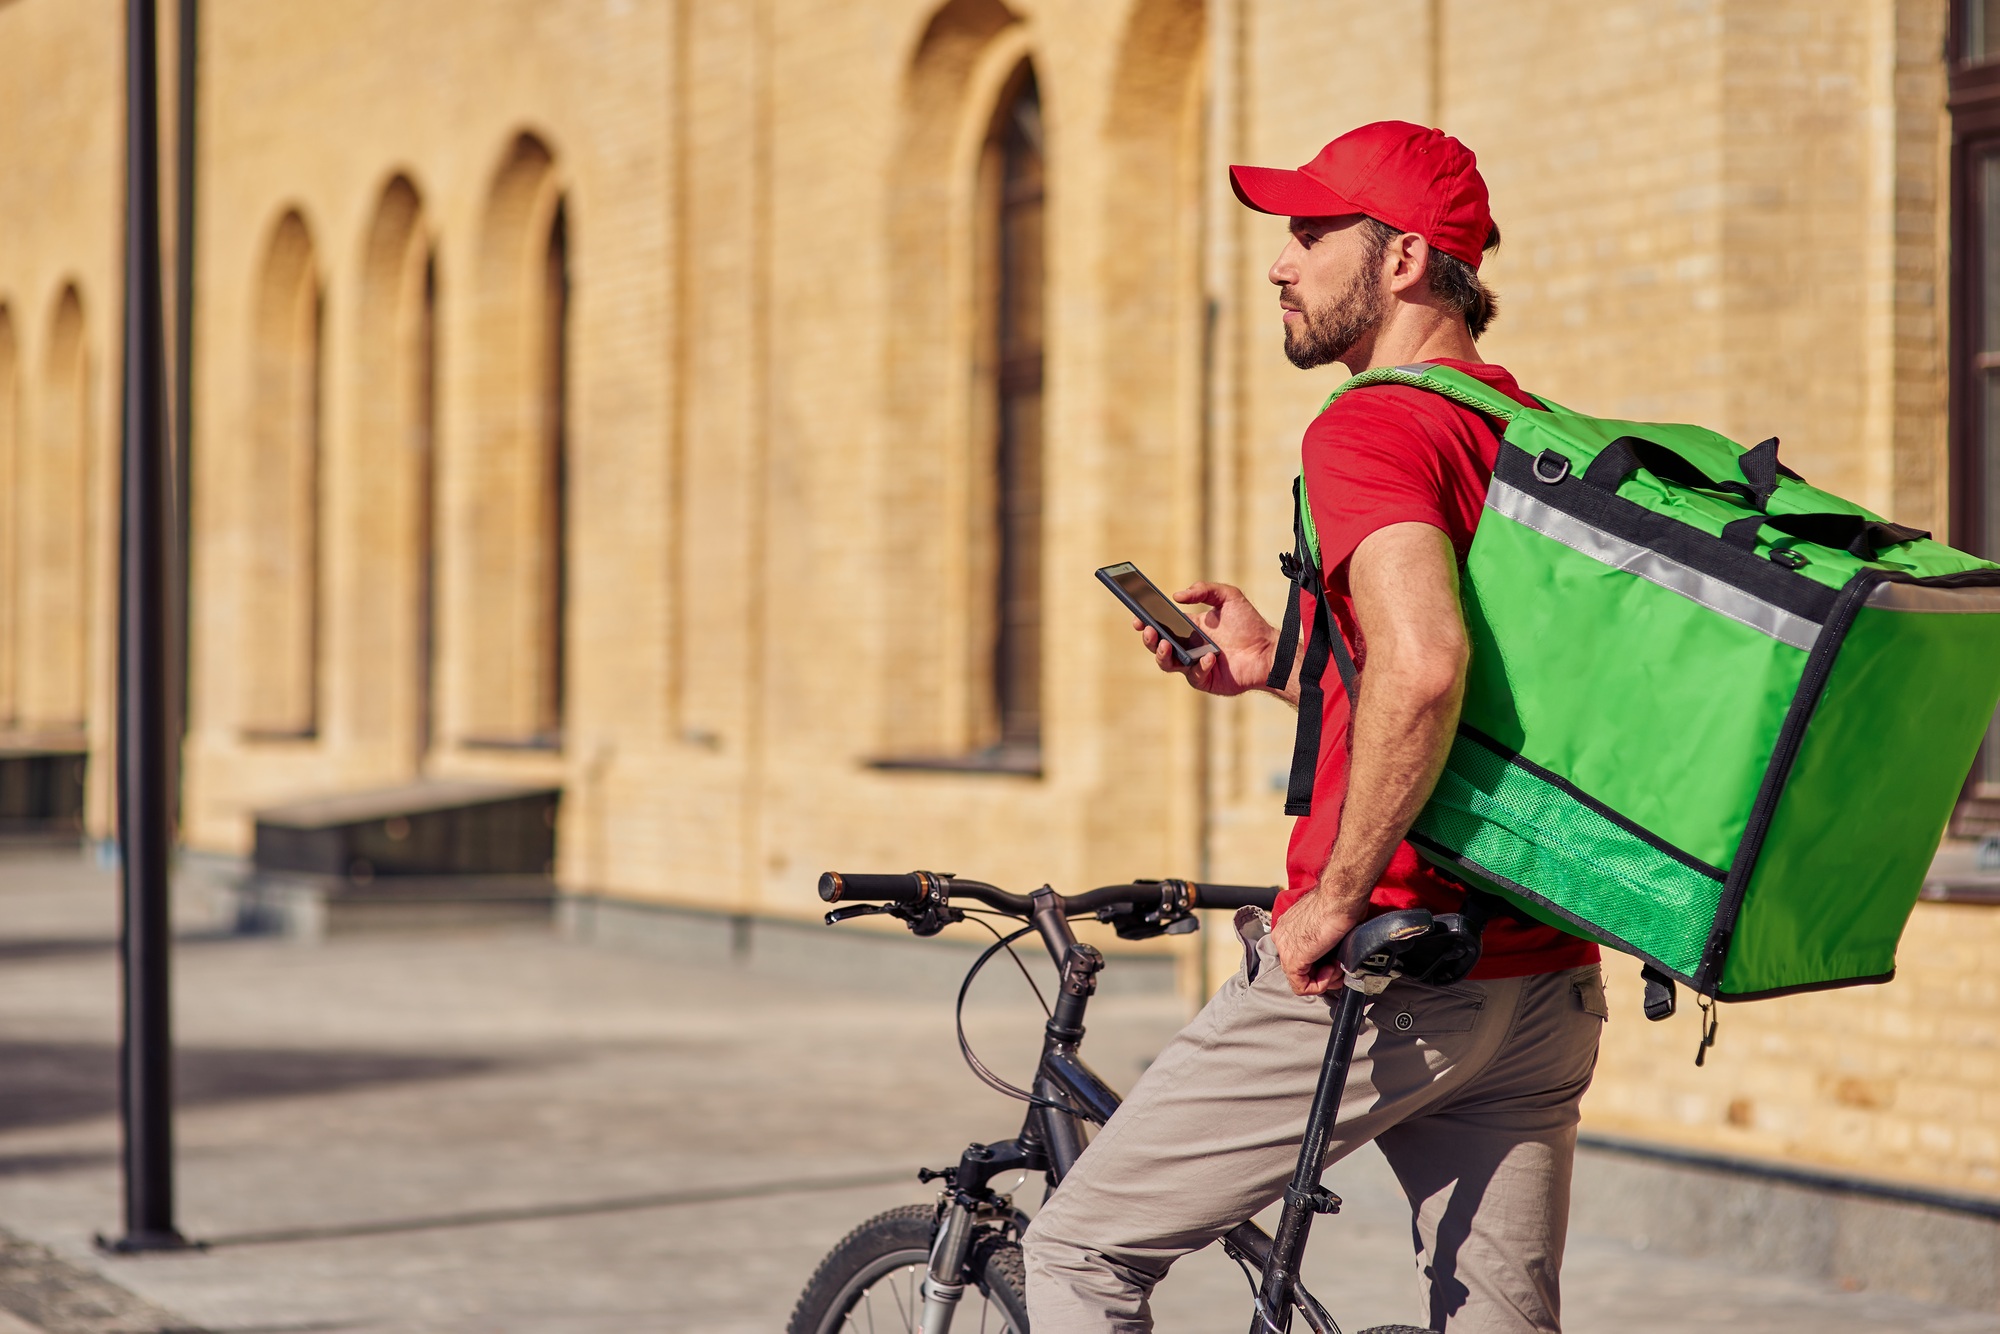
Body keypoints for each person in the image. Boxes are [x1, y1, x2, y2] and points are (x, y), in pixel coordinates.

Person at [1019, 121, 1608, 1334]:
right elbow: (1484, 694)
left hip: (1384, 967)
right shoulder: (1528, 435)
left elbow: (1428, 666)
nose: (1279, 264)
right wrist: (1283, 665)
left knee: (1077, 1249)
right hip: (1540, 978)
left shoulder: (1371, 425)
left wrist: (1330, 901)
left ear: (1400, 262)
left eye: (1308, 234)